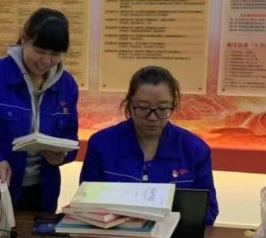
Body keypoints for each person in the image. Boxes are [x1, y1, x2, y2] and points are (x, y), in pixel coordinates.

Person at [0, 8, 79, 213]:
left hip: (43, 193)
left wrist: (63, 155)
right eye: (40, 51)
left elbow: (70, 135)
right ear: (24, 39)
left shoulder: (67, 85)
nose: (46, 61)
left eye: (55, 54)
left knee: (39, 235)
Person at [80, 66, 218, 224]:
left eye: (163, 108)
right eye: (143, 108)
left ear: (173, 104)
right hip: (114, 235)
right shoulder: (102, 144)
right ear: (129, 104)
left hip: (175, 236)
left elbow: (208, 210)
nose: (152, 117)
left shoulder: (194, 149)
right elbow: (85, 205)